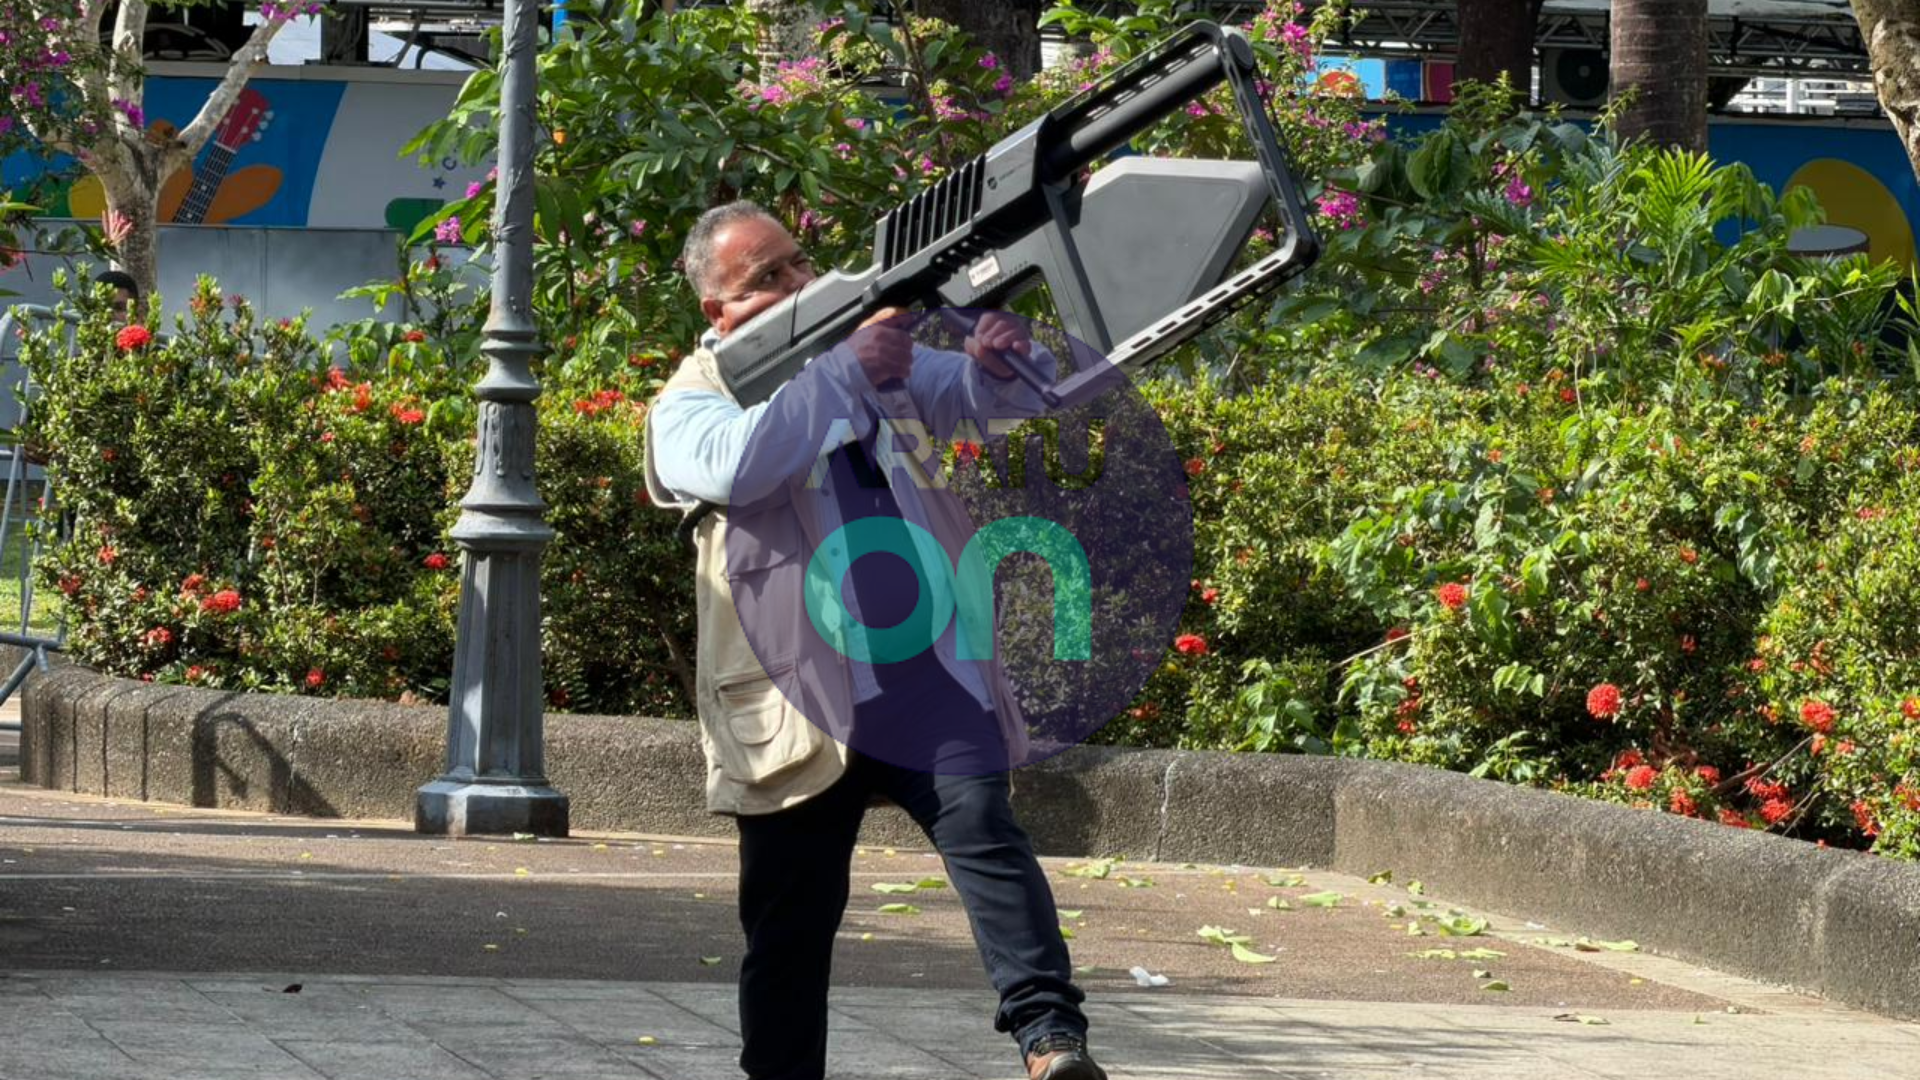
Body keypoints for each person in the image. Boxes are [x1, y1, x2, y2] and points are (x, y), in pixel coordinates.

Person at [644, 200, 1108, 1080]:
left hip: (924, 667)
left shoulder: (863, 356)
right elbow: (740, 462)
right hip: (797, 697)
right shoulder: (690, 399)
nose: (797, 282)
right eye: (766, 277)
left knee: (986, 833)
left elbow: (986, 403)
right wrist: (841, 371)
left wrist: (999, 358)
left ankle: (1052, 1041)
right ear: (718, 310)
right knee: (789, 922)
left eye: (798, 261)